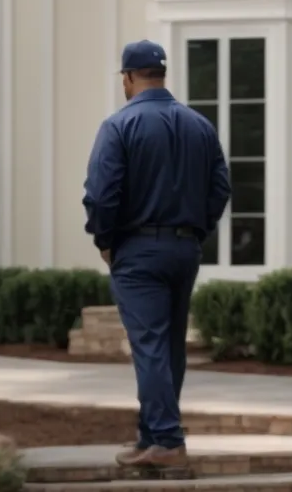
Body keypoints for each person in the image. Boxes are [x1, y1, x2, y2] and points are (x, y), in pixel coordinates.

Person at [83, 40, 231, 469]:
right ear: (162, 75)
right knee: (169, 348)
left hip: (137, 250)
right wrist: (195, 230)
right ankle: (151, 435)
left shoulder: (119, 126)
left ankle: (167, 440)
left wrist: (105, 241)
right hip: (184, 249)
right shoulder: (200, 125)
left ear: (128, 78)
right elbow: (220, 188)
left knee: (149, 346)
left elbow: (101, 195)